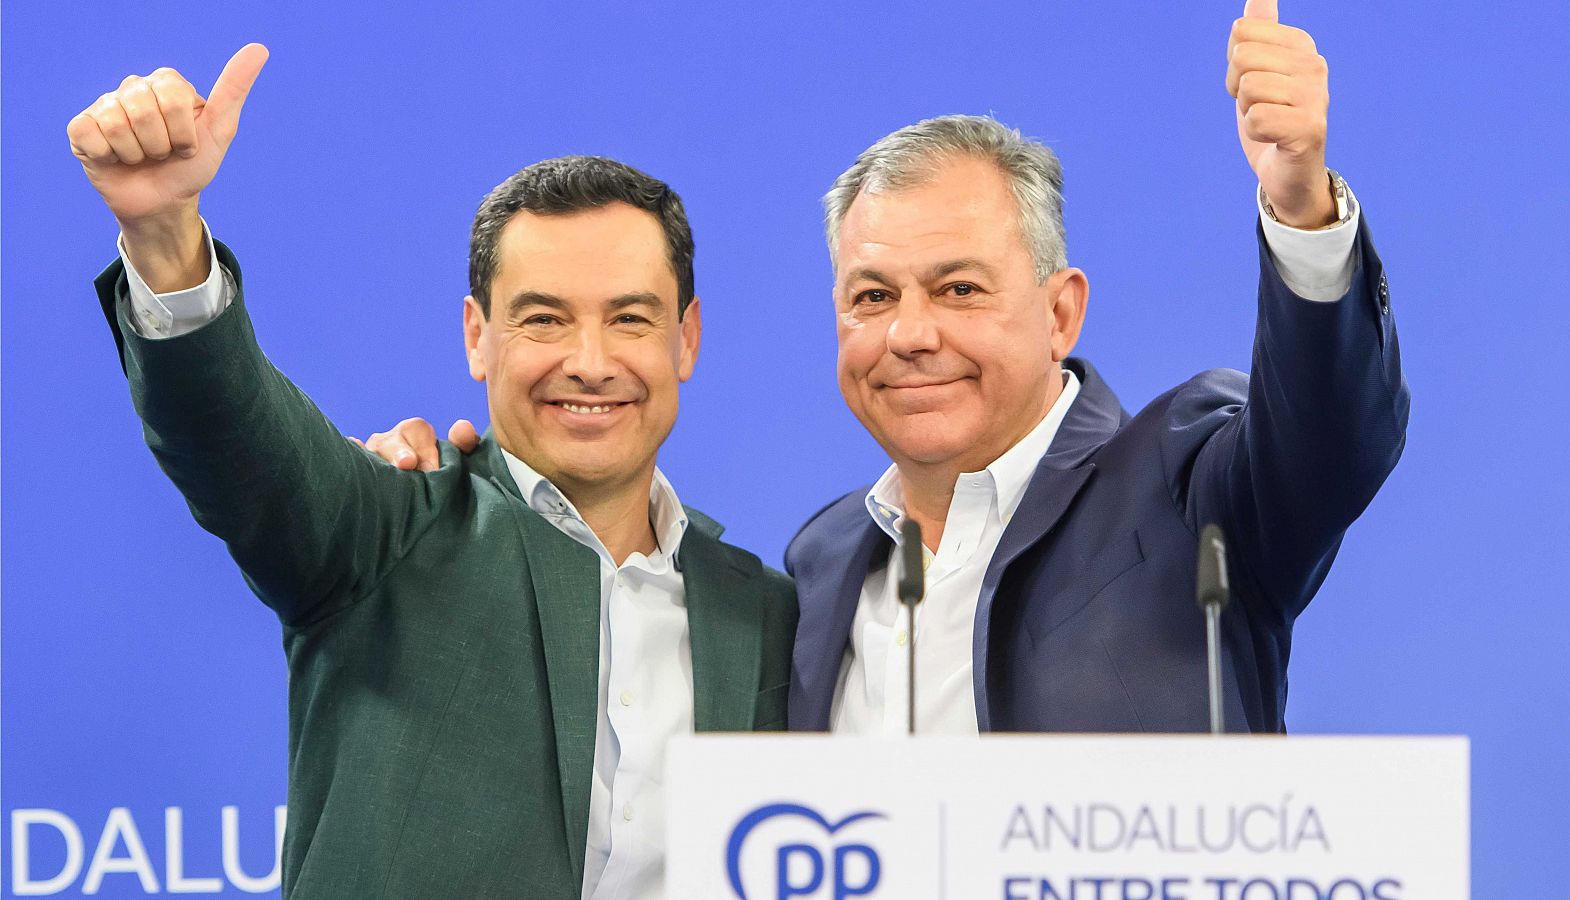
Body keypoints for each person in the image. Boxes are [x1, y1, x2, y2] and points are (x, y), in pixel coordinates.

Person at [371, 0, 1407, 735]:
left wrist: (1300, 206)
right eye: (872, 297)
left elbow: (1328, 435)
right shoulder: (818, 565)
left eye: (958, 290)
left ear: (1060, 312)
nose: (909, 334)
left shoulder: (1188, 476)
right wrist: (442, 500)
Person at [69, 44, 796, 899]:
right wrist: (164, 234)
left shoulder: (766, 611)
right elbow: (239, 440)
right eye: (544, 319)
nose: (590, 361)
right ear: (476, 337)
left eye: (631, 319)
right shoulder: (383, 530)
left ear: (687, 340)